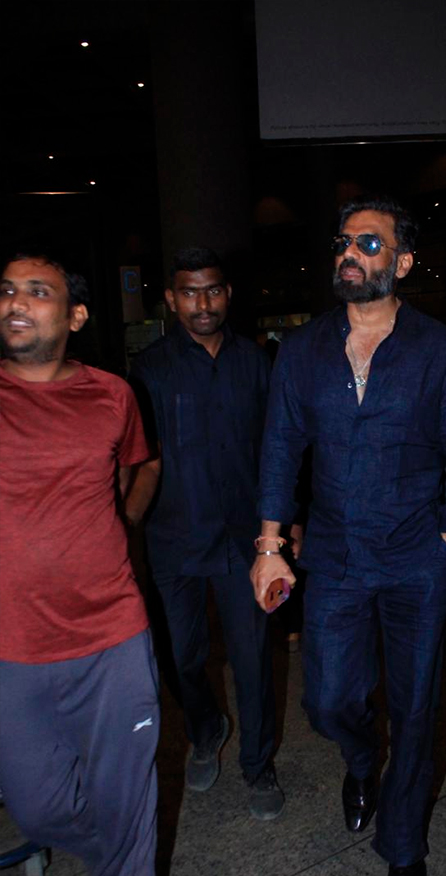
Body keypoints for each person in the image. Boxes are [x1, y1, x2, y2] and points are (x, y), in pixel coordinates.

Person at [251, 197, 446, 876]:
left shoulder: (442, 351)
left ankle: (405, 838)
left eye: (368, 244)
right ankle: (360, 759)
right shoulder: (301, 350)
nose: (349, 254)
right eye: (343, 243)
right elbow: (278, 451)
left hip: (418, 558)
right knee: (327, 698)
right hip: (334, 557)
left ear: (403, 262)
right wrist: (269, 543)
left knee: (416, 706)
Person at [0, 252, 162, 876]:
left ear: (76, 316)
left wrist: (122, 521)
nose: (16, 302)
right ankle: (117, 855)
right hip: (13, 645)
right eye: (6, 291)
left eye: (38, 291)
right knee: (36, 807)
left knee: (127, 792)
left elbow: (144, 463)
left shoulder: (112, 395)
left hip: (111, 630)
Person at [127, 248, 284, 819]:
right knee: (181, 658)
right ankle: (205, 726)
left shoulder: (258, 362)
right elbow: (139, 458)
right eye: (189, 292)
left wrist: (287, 525)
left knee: (253, 658)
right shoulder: (149, 371)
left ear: (228, 294)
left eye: (213, 290)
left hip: (248, 542)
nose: (202, 303)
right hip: (175, 542)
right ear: (171, 300)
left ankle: (258, 763)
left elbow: (280, 448)